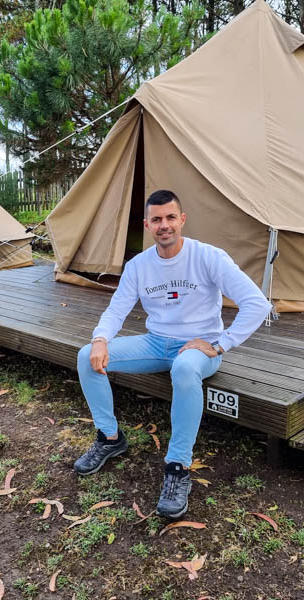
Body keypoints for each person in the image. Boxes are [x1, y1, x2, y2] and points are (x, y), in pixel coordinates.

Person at [74, 189, 272, 518]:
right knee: (86, 356)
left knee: (184, 368)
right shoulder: (139, 265)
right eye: (156, 219)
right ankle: (110, 438)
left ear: (182, 220)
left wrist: (221, 344)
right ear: (147, 225)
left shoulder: (208, 257)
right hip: (156, 343)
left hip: (199, 348)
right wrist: (100, 339)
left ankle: (178, 467)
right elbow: (116, 310)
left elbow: (257, 304)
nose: (164, 225)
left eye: (170, 217)